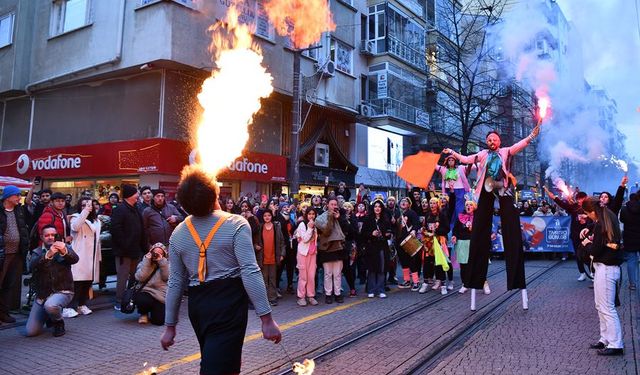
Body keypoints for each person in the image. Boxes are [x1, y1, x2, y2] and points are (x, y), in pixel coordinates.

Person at [160, 165, 281, 374]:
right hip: (228, 303)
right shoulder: (236, 224)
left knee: (218, 359)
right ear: (215, 192)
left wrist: (170, 326)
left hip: (198, 305)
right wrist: (266, 319)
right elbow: (250, 270)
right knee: (217, 367)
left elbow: (176, 282)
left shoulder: (178, 233)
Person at [443, 125, 539, 294]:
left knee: (510, 222)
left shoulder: (506, 151)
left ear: (499, 141)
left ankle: (516, 275)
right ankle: (476, 278)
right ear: (486, 142)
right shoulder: (482, 155)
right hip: (485, 190)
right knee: (480, 229)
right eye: (489, 140)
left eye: (494, 139)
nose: (492, 142)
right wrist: (453, 152)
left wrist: (532, 135)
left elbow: (521, 144)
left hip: (502, 188)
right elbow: (465, 159)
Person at [580, 198, 624, 356]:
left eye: (587, 213)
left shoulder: (601, 223)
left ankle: (615, 343)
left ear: (592, 212)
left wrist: (586, 244)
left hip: (605, 268)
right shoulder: (608, 217)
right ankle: (605, 338)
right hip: (606, 268)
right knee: (601, 306)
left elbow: (595, 251)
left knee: (606, 308)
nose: (588, 216)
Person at [25, 225, 79, 337]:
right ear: (42, 237)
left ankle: (58, 321)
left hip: (63, 291)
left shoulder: (65, 247)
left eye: (53, 235)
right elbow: (31, 266)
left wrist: (64, 251)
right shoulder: (37, 251)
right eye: (47, 235)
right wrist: (47, 255)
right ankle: (50, 315)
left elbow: (75, 259)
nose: (50, 237)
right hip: (43, 295)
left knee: (51, 305)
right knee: (31, 332)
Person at [111, 184, 147, 311]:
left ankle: (130, 298)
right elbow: (115, 229)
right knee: (122, 277)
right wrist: (124, 245)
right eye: (136, 193)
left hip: (135, 250)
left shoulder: (136, 208)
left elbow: (141, 229)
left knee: (134, 276)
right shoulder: (120, 209)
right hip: (124, 251)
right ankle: (119, 301)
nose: (138, 195)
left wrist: (144, 247)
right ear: (130, 195)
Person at [545, 187, 591, 281]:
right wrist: (554, 198)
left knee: (589, 254)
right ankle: (582, 273)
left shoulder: (591, 208)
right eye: (578, 199)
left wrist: (587, 216)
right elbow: (563, 204)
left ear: (586, 198)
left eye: (582, 198)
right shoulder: (574, 207)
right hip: (575, 235)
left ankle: (592, 272)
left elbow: (596, 219)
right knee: (578, 255)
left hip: (588, 234)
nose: (580, 201)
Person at [67, 197, 101, 318]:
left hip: (91, 255)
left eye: (89, 205)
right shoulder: (75, 217)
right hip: (80, 253)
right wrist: (85, 211)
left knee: (87, 282)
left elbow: (98, 240)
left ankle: (82, 304)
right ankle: (69, 306)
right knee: (76, 282)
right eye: (83, 205)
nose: (87, 207)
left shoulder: (96, 220)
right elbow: (75, 227)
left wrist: (98, 257)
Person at [0, 186, 30, 324]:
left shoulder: (19, 211)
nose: (19, 197)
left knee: (9, 285)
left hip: (17, 254)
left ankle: (4, 313)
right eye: (17, 195)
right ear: (8, 197)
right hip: (3, 254)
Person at [316, 197, 349, 304]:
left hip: (339, 248)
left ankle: (338, 293)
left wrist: (339, 218)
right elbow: (326, 232)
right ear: (327, 205)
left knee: (338, 273)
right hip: (326, 248)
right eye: (332, 204)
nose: (334, 206)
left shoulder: (341, 217)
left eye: (336, 204)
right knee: (328, 274)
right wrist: (331, 217)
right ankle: (328, 294)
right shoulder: (321, 218)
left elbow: (348, 231)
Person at [254, 210, 285, 306]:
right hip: (263, 258)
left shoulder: (276, 227)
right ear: (262, 217)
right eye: (265, 216)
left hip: (273, 257)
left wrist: (282, 254)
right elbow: (255, 241)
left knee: (272, 279)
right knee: (264, 279)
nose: (267, 217)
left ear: (272, 216)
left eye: (269, 215)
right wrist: (256, 245)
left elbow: (282, 242)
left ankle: (272, 298)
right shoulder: (260, 227)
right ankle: (265, 298)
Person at [421, 197, 451, 294]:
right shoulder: (427, 215)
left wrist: (437, 231)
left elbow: (447, 229)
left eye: (434, 203)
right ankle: (425, 283)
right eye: (431, 203)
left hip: (439, 242)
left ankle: (443, 285)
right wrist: (424, 231)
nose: (432, 205)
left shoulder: (442, 215)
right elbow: (425, 227)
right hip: (429, 243)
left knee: (439, 263)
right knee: (427, 263)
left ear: (437, 204)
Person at [134, 243, 169, 325]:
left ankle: (154, 311)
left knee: (159, 322)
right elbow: (140, 277)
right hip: (146, 291)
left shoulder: (167, 264)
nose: (156, 255)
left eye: (160, 253)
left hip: (160, 294)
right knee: (143, 300)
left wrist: (162, 263)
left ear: (164, 254)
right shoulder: (145, 262)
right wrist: (147, 261)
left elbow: (166, 277)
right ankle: (143, 313)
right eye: (155, 252)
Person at [363, 200, 392, 298]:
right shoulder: (368, 219)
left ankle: (381, 290)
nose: (377, 208)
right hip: (371, 247)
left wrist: (385, 234)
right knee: (372, 269)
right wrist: (371, 234)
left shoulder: (385, 219)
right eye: (375, 206)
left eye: (379, 206)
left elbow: (389, 232)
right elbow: (362, 234)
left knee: (381, 268)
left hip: (382, 246)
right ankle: (371, 290)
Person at [295, 208, 319, 306]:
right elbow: (304, 239)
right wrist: (309, 228)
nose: (311, 216)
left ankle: (311, 296)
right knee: (303, 276)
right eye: (309, 214)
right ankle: (301, 297)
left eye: (313, 214)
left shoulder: (315, 225)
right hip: (303, 253)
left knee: (311, 276)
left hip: (312, 253)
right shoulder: (302, 224)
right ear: (306, 215)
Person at [397, 197, 421, 291]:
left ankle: (416, 281)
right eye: (402, 201)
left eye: (406, 201)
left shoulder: (412, 213)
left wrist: (414, 230)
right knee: (403, 261)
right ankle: (407, 281)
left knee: (411, 261)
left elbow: (417, 223)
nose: (403, 203)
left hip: (409, 240)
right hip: (399, 240)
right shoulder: (398, 213)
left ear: (409, 204)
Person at [452, 201, 476, 294]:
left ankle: (478, 283)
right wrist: (454, 236)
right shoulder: (460, 217)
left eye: (470, 205)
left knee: (474, 264)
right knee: (463, 264)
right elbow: (455, 229)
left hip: (473, 243)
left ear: (474, 207)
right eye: (466, 205)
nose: (468, 206)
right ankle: (464, 284)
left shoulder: (477, 217)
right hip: (462, 242)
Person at [620, 193, 640, 291]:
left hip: (629, 237)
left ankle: (633, 284)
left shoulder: (624, 209)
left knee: (631, 260)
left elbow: (622, 220)